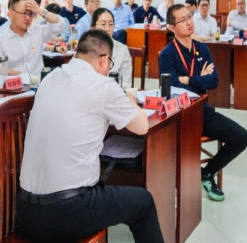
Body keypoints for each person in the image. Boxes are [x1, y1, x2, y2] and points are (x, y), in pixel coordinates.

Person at [16, 30, 162, 242]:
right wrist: (130, 99)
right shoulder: (102, 85)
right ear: (104, 60)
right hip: (65, 212)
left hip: (24, 212)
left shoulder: (50, 78)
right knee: (144, 202)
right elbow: (142, 127)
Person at [159, 4, 247, 201]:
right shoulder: (167, 54)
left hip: (201, 110)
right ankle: (174, 183)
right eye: (182, 20)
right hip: (178, 114)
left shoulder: (202, 48)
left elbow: (214, 81)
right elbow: (172, 88)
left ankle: (206, 173)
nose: (189, 22)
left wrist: (188, 80)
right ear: (172, 28)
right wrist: (199, 80)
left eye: (189, 17)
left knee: (242, 137)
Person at [0, 0, 67, 77]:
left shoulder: (37, 31)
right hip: (14, 82)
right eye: (24, 13)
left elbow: (60, 25)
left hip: (38, 82)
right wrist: (25, 76)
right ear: (10, 13)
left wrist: (39, 10)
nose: (28, 18)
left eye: (31, 14)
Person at [91, 8, 132, 87]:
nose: (108, 29)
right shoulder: (86, 49)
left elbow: (126, 84)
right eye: (103, 24)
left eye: (111, 24)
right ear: (93, 27)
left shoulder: (122, 49)